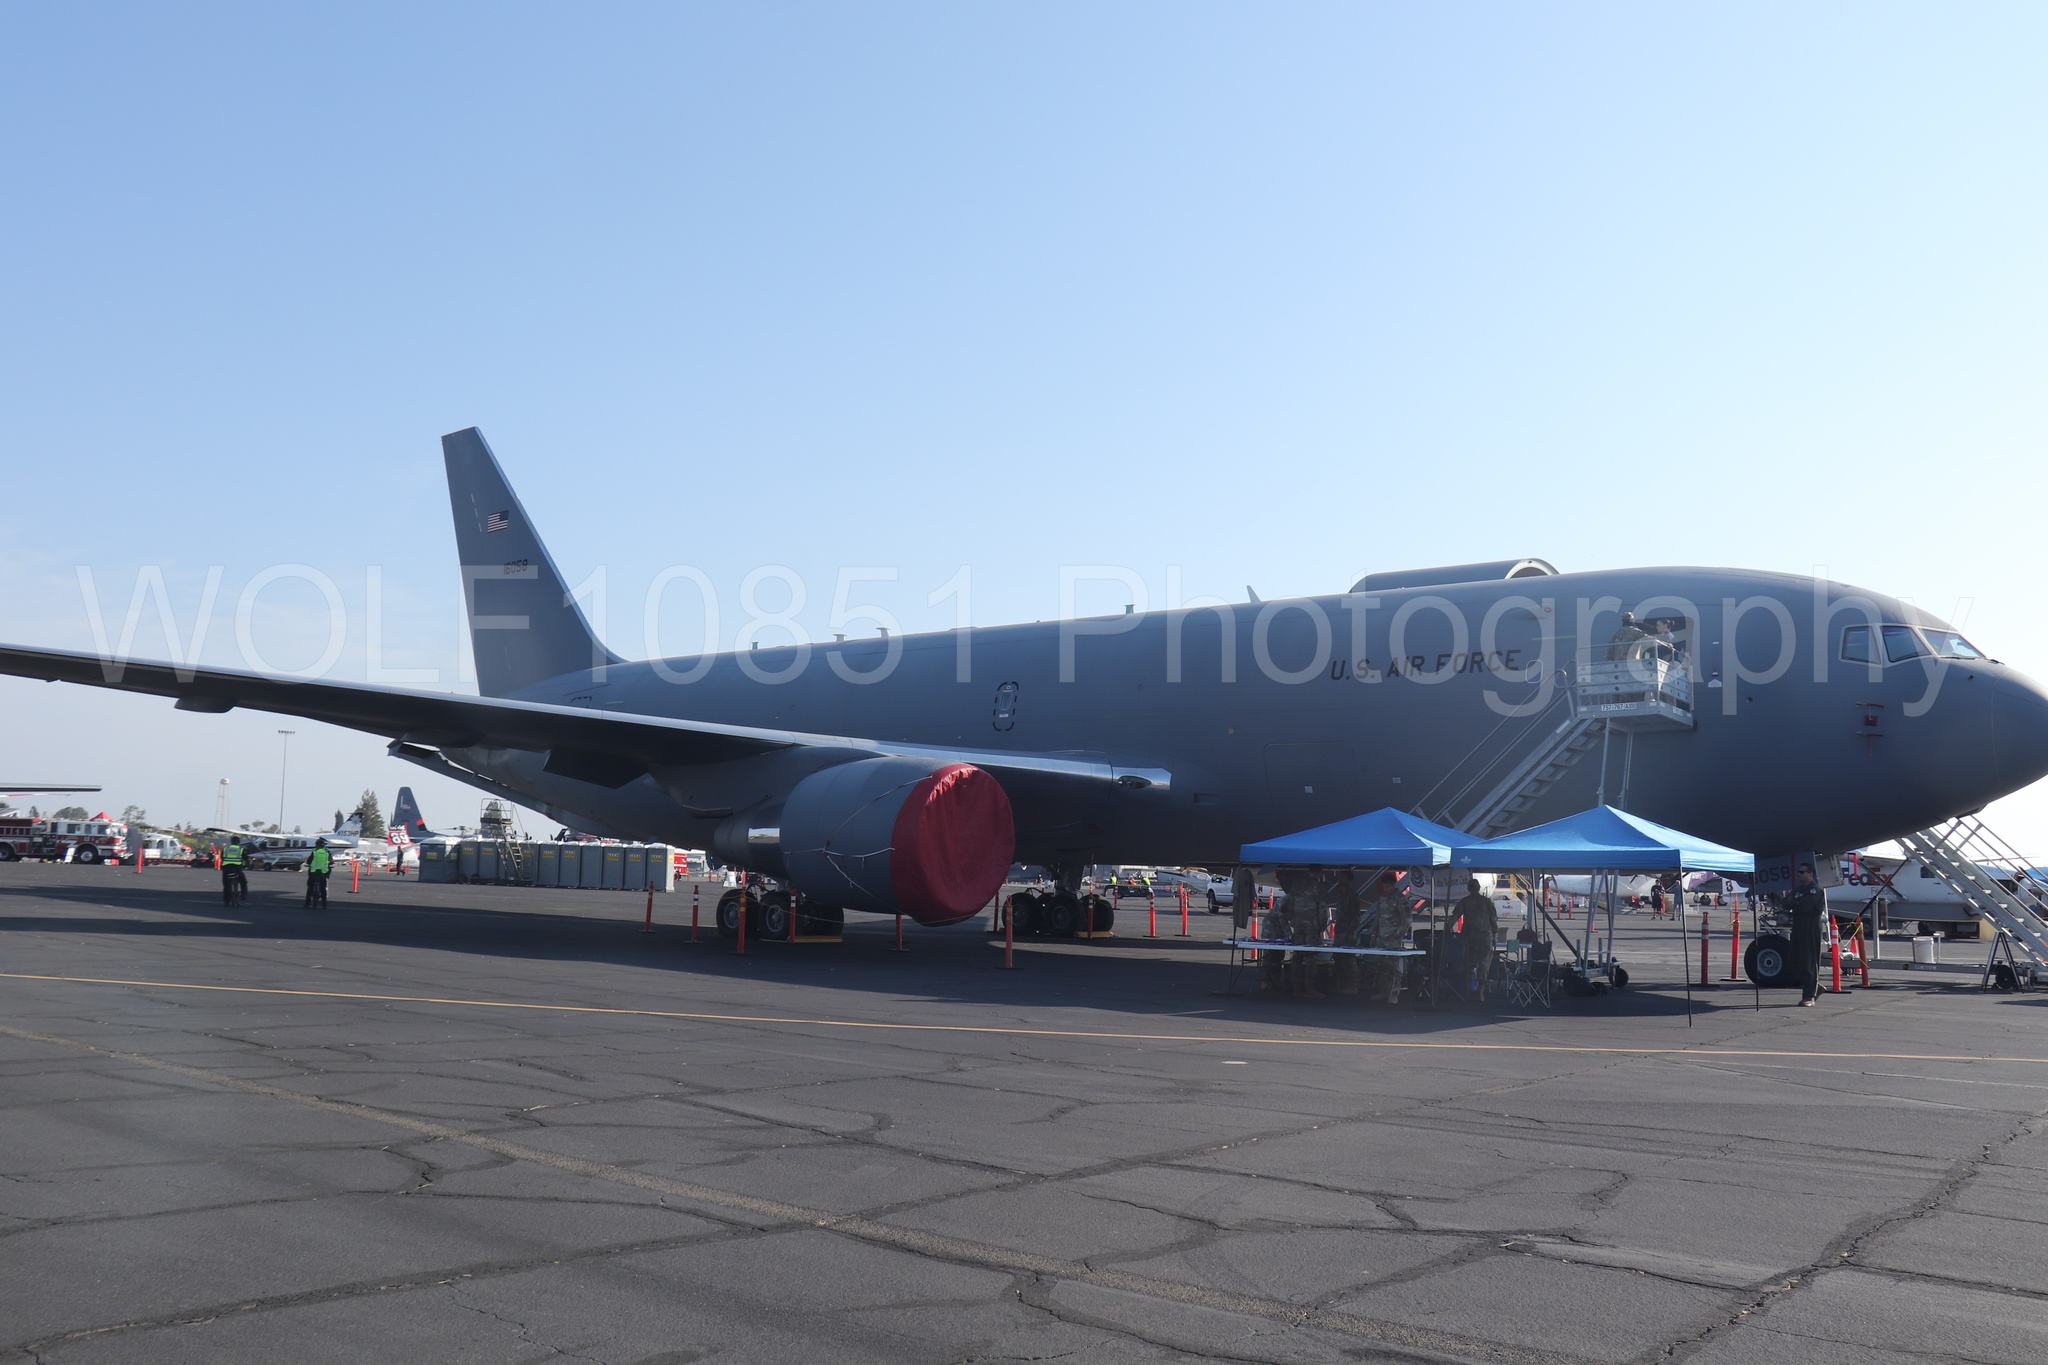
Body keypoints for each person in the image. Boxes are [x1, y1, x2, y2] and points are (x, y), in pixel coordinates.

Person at [1785, 862, 1828, 1005]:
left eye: (1802, 872)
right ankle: (1815, 986)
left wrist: (1794, 903)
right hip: (1798, 926)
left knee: (1809, 960)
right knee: (1794, 960)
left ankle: (1809, 996)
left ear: (1810, 874)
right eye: (1799, 871)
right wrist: (1795, 903)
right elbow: (1785, 903)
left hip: (1810, 926)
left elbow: (1805, 906)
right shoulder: (1798, 889)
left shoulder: (1815, 890)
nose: (1799, 874)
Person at [1363, 872, 1410, 1004]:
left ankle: (1394, 993)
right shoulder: (1382, 899)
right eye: (1384, 887)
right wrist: (1373, 934)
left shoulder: (1400, 899)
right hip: (1381, 938)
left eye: (1388, 887)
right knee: (1378, 965)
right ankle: (1384, 990)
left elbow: (1407, 919)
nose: (1386, 889)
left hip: (1393, 939)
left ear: (1394, 885)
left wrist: (1398, 934)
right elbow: (1377, 917)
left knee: (1393, 966)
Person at [1281, 869, 1326, 1000]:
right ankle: (1309, 988)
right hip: (1312, 925)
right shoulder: (1319, 888)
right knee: (1311, 957)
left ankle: (1297, 988)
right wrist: (1322, 926)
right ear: (1319, 873)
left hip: (1298, 924)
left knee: (1297, 956)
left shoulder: (1296, 885)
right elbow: (1322, 908)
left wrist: (1291, 921)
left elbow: (1290, 904)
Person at [1452, 878, 1497, 1000]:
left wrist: (1447, 929)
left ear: (1468, 888)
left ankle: (1466, 991)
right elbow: (1493, 920)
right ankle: (1480, 992)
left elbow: (1455, 916)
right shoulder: (1487, 902)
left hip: (1470, 937)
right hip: (1485, 937)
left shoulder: (1465, 901)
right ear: (1478, 888)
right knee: (1483, 965)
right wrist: (1495, 936)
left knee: (1468, 964)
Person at [1329, 870, 1363, 997]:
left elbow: (1356, 916)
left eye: (1343, 878)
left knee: (1349, 960)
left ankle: (1352, 985)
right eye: (1340, 878)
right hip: (1339, 931)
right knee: (1338, 959)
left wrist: (1350, 931)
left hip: (1347, 932)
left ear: (1349, 881)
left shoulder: (1352, 896)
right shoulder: (1340, 894)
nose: (1340, 881)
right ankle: (1342, 984)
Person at [305, 838, 332, 909]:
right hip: (323, 873)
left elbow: (308, 861)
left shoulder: (314, 852)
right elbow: (331, 861)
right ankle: (324, 905)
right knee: (323, 889)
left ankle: (307, 904)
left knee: (310, 888)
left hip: (313, 872)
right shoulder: (327, 852)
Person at [220, 837, 247, 904]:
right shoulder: (240, 849)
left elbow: (222, 857)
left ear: (231, 842)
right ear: (238, 842)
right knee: (243, 881)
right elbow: (245, 857)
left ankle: (226, 899)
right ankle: (243, 895)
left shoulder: (226, 849)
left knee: (226, 883)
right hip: (237, 868)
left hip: (227, 868)